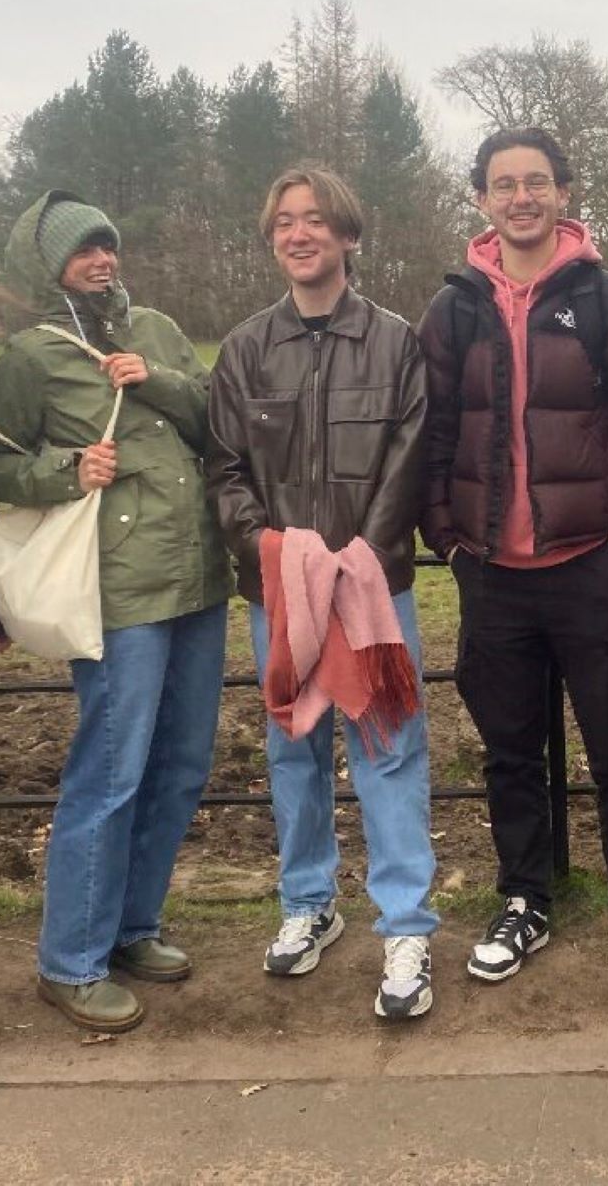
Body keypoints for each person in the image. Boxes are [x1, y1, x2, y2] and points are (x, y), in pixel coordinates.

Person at [417, 126, 608, 992]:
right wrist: (448, 540)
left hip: (590, 570)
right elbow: (431, 433)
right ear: (482, 199)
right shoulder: (453, 309)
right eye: (504, 183)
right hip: (493, 575)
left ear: (565, 193)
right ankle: (525, 898)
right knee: (508, 753)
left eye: (537, 181)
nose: (522, 196)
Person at [0, 191, 230, 1035]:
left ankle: (132, 928)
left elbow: (214, 425)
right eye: (83, 250)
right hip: (116, 594)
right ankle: (70, 961)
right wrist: (67, 469)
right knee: (112, 775)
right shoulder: (30, 356)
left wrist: (152, 377)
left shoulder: (154, 328)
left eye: (107, 245)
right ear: (48, 268)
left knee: (183, 764)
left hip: (197, 579)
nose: (101, 260)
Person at [205, 166, 437, 1021]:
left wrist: (358, 562)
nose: (298, 234)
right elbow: (223, 471)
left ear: (347, 234)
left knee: (388, 746)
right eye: (284, 223)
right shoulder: (242, 350)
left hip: (372, 590)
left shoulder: (396, 342)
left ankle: (406, 924)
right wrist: (269, 550)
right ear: (273, 240)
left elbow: (410, 459)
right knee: (291, 750)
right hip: (280, 594)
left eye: (315, 221)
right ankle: (308, 903)